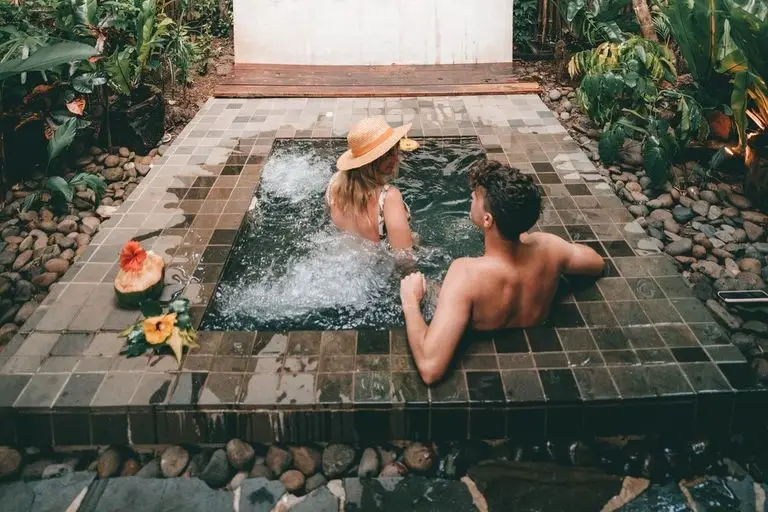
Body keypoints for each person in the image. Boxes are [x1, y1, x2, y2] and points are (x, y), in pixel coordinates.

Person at [399, 159, 605, 385]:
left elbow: (430, 369)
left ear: (487, 219)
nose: (471, 198)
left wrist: (410, 301)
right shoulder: (550, 248)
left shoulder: (466, 274)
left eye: (476, 196)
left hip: (483, 366)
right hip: (535, 340)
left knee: (429, 289)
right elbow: (597, 263)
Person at [327, 117, 414, 250]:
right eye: (388, 154)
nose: (396, 159)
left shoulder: (334, 184)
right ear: (372, 161)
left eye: (395, 150)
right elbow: (405, 257)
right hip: (380, 266)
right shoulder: (389, 197)